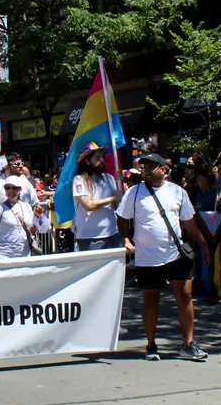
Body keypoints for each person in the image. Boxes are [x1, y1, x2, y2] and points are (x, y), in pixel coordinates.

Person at [116, 153, 208, 362]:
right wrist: (126, 240)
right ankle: (151, 344)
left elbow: (189, 222)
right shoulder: (133, 192)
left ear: (164, 170)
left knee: (185, 296)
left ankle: (188, 344)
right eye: (144, 168)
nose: (146, 171)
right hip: (147, 257)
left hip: (176, 254)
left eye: (151, 167)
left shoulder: (178, 192)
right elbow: (122, 218)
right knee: (151, 299)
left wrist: (203, 244)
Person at [71, 143, 123, 251]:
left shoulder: (109, 178)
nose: (102, 160)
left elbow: (117, 204)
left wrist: (120, 186)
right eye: (97, 157)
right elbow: (88, 205)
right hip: (90, 238)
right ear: (87, 161)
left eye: (102, 157)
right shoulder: (79, 180)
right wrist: (113, 198)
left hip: (113, 233)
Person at [0, 155, 37, 249]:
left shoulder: (25, 182)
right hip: (1, 234)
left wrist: (35, 223)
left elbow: (35, 204)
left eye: (22, 163)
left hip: (24, 233)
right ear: (7, 166)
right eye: (17, 164)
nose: (21, 166)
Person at [0, 181, 36, 260]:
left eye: (14, 188)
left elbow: (33, 226)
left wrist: (34, 229)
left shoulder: (27, 206)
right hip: (4, 254)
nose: (10, 191)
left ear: (20, 189)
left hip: (24, 252)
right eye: (7, 188)